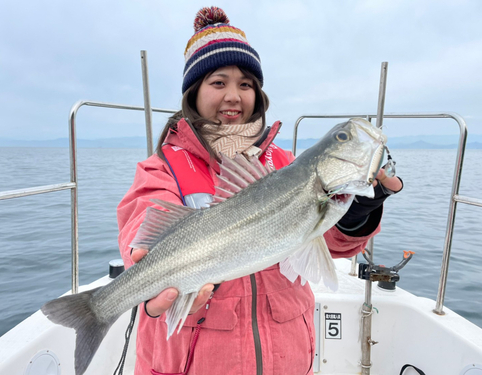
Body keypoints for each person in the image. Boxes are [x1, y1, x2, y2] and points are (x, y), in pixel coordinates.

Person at [117, 6, 402, 375]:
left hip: (288, 359)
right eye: (218, 82)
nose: (234, 96)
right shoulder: (162, 170)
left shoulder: (285, 164)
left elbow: (328, 244)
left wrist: (359, 211)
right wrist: (146, 279)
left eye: (246, 84)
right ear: (194, 92)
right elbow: (141, 233)